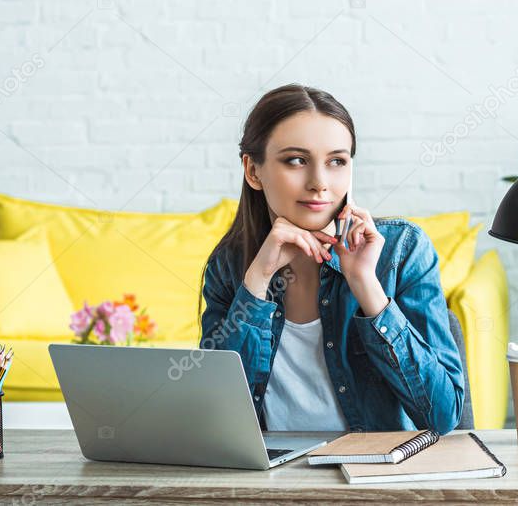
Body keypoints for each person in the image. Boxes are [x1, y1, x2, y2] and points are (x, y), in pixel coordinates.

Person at [199, 83, 465, 434]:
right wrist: (257, 282)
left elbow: (442, 418)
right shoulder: (231, 267)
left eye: (336, 161)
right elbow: (216, 418)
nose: (319, 183)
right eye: (296, 160)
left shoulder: (402, 251)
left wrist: (366, 285)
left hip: (371, 478)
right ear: (253, 171)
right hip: (269, 482)